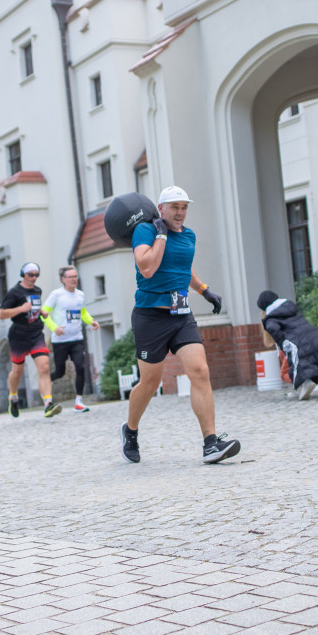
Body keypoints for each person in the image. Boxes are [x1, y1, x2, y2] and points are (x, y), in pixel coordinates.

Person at [121, 186, 239, 464]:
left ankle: (210, 442)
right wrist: (160, 234)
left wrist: (204, 289)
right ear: (160, 208)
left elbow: (182, 267)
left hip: (181, 315)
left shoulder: (189, 235)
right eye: (174, 207)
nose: (180, 212)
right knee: (149, 383)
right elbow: (147, 267)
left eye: (184, 207)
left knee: (200, 371)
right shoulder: (145, 232)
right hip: (150, 317)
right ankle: (130, 430)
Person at [0, 263, 61, 418]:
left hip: (36, 334)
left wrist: (41, 313)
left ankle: (48, 404)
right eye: (31, 275)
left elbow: (34, 308)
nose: (34, 278)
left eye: (36, 275)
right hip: (19, 336)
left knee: (44, 368)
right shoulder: (14, 293)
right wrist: (21, 309)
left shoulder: (37, 291)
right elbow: (2, 314)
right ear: (23, 275)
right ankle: (13, 397)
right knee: (17, 372)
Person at [43, 266, 99, 413]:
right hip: (60, 341)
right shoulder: (56, 295)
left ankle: (79, 401)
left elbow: (83, 313)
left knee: (80, 367)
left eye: (76, 276)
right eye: (71, 277)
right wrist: (54, 327)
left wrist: (91, 321)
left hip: (76, 339)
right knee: (60, 372)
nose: (74, 279)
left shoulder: (80, 295)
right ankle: (45, 384)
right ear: (63, 280)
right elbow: (44, 313)